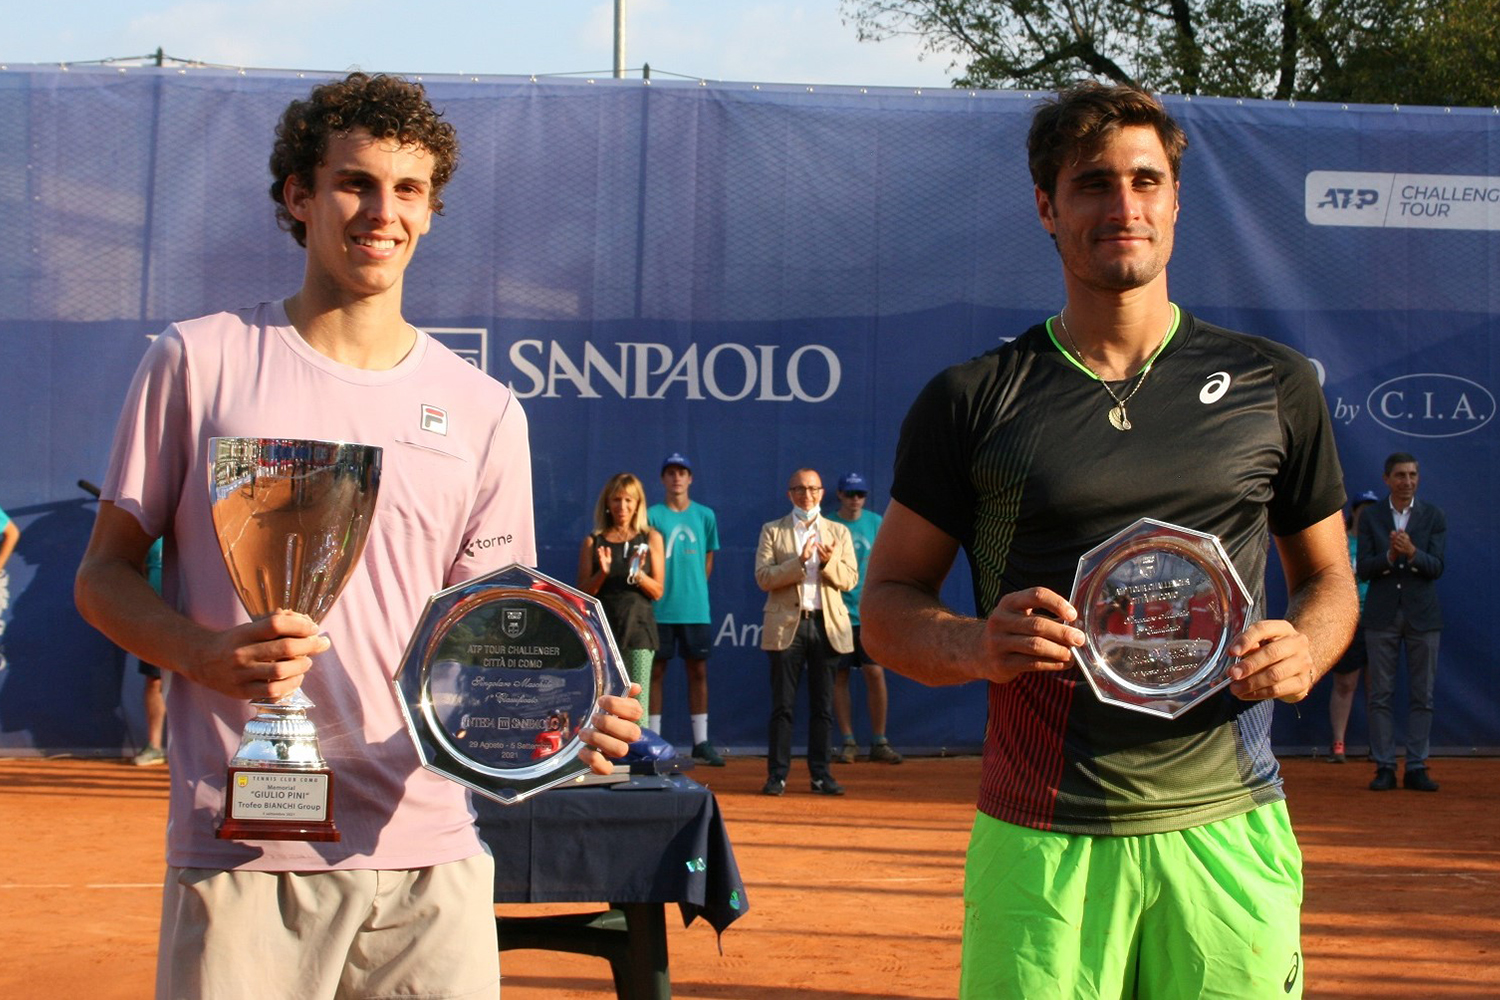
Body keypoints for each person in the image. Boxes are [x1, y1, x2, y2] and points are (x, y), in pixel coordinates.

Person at [74, 72, 641, 1000]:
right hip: (246, 850)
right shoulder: (199, 361)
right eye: (355, 183)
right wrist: (203, 654)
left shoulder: (484, 409)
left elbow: (491, 636)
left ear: (431, 210)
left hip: (431, 859)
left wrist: (568, 713)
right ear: (298, 195)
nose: (384, 212)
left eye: (409, 189)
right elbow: (103, 576)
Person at [860, 82, 1356, 999]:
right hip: (1041, 842)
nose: (1122, 205)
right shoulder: (973, 399)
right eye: (1092, 183)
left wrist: (1307, 648)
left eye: (1144, 180)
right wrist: (973, 644)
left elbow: (1330, 579)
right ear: (1047, 207)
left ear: (1175, 200)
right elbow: (885, 606)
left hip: (1227, 831)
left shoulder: (1274, 384)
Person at [755, 468, 857, 797]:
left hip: (827, 625)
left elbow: (850, 579)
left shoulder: (838, 532)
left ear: (822, 493)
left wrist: (827, 564)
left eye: (812, 489)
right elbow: (763, 577)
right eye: (799, 489)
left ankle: (821, 775)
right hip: (787, 626)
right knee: (782, 706)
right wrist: (798, 563)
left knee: (823, 707)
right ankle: (777, 776)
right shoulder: (773, 530)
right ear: (790, 494)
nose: (806, 495)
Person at [1358, 452, 1446, 793]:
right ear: (1387, 479)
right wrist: (1389, 557)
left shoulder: (1433, 516)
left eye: (1412, 475)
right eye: (1400, 475)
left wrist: (1411, 553)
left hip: (1423, 615)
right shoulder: (1372, 517)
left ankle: (1416, 766)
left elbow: (1436, 567)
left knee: (1423, 695)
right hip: (1382, 614)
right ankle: (1384, 766)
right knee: (1380, 694)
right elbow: (1363, 568)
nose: (1407, 481)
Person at [646, 452, 724, 765]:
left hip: (696, 610)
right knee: (655, 672)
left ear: (690, 479)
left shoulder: (705, 516)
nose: (676, 478)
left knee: (698, 671)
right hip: (659, 609)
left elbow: (708, 559)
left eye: (682, 473)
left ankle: (701, 742)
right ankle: (652, 742)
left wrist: (692, 589)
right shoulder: (651, 516)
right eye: (671, 473)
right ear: (663, 479)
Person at [827, 472, 902, 764]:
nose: (855, 500)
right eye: (850, 494)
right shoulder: (828, 525)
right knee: (840, 675)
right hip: (838, 614)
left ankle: (879, 741)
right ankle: (848, 741)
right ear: (840, 495)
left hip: (869, 614)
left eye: (860, 494)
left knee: (875, 672)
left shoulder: (876, 523)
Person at [578, 472, 665, 717]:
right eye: (616, 499)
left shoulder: (651, 538)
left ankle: (638, 744)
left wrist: (637, 574)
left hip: (638, 632)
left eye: (628, 500)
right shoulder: (593, 541)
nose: (622, 506)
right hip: (602, 634)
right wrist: (602, 573)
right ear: (607, 502)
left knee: (636, 706)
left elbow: (658, 591)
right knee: (603, 703)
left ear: (638, 504)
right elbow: (582, 594)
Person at [1327, 490, 1378, 764]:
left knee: (1377, 687)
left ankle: (1377, 746)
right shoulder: (1341, 543)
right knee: (1345, 683)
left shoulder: (1382, 543)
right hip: (1348, 620)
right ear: (1354, 513)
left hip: (1379, 619)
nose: (1367, 515)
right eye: (1363, 509)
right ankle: (1338, 744)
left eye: (1372, 510)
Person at [133, 538, 169, 766]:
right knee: (155, 679)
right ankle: (154, 746)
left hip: (194, 615)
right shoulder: (149, 536)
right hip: (157, 619)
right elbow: (139, 570)